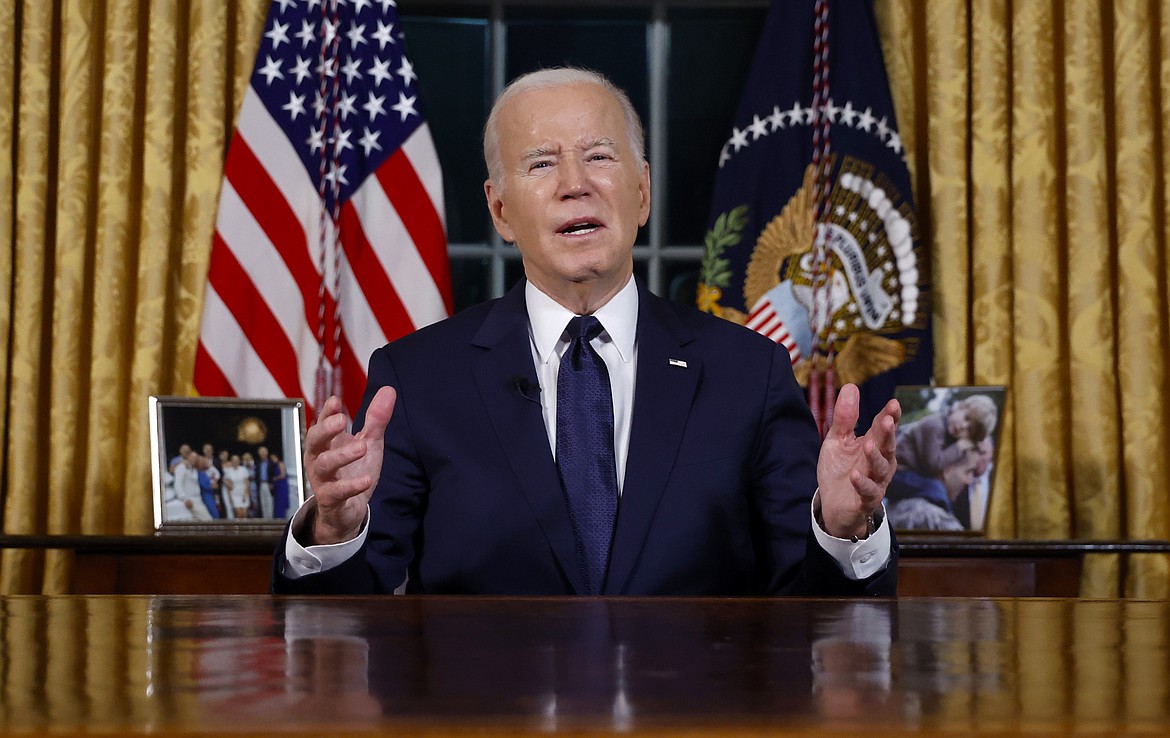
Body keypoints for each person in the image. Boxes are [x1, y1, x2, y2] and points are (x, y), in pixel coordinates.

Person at [272, 67, 902, 596]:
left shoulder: (749, 372)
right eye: (542, 164)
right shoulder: (417, 378)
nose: (576, 184)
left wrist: (844, 531)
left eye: (599, 156)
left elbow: (814, 600)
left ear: (642, 192)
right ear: (499, 211)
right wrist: (333, 533)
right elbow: (339, 618)